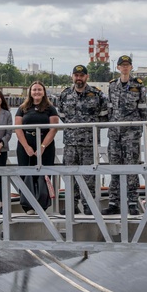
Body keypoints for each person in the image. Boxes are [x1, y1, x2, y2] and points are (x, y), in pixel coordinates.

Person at [56, 64, 108, 215]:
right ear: (72, 76)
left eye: (81, 75)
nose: (79, 78)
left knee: (89, 176)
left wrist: (90, 127)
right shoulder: (65, 95)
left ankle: (88, 205)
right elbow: (62, 115)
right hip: (71, 143)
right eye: (76, 75)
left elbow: (105, 116)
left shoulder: (97, 95)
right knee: (70, 174)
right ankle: (72, 205)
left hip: (89, 142)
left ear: (87, 77)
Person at [103, 55, 147, 215]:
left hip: (131, 134)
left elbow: (143, 111)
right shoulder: (112, 86)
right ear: (118, 68)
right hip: (115, 134)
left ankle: (132, 202)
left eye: (127, 65)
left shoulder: (139, 86)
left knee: (131, 168)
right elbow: (109, 109)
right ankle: (114, 202)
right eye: (122, 65)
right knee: (114, 167)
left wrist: (137, 129)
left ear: (131, 67)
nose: (125, 68)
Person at [14, 81, 59, 214]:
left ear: (44, 92)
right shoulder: (23, 108)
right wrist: (26, 146)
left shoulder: (50, 108)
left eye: (39, 90)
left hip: (45, 144)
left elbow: (53, 128)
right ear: (30, 92)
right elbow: (17, 128)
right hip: (26, 144)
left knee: (44, 174)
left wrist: (43, 146)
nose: (37, 92)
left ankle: (42, 205)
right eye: (34, 90)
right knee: (26, 174)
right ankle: (27, 205)